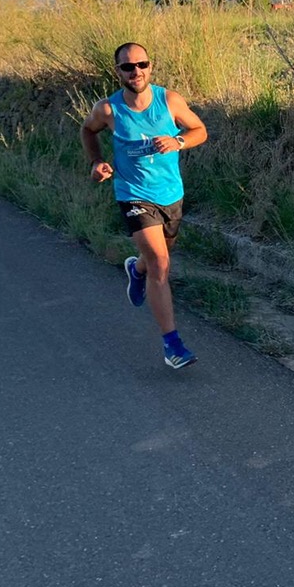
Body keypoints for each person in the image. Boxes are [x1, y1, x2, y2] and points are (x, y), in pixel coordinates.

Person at [80, 42, 208, 369]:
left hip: (170, 194)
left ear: (150, 67)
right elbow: (87, 130)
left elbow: (199, 130)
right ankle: (172, 346)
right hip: (132, 193)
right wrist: (96, 162)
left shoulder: (169, 101)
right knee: (161, 265)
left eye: (142, 64)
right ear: (117, 71)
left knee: (155, 261)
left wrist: (178, 141)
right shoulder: (108, 110)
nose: (135, 71)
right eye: (127, 67)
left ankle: (136, 270)